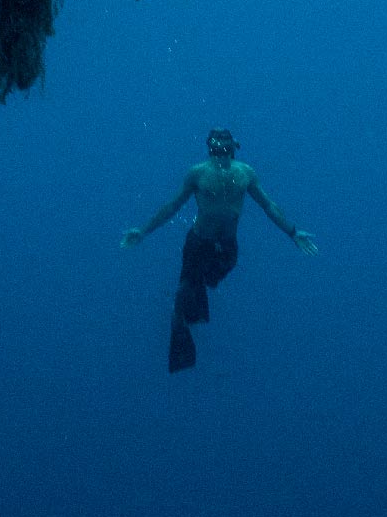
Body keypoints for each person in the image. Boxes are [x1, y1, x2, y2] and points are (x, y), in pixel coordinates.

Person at [122, 129, 318, 373]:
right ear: (210, 151)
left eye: (226, 151)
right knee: (185, 289)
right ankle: (180, 315)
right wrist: (143, 231)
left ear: (234, 150)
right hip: (198, 242)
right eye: (216, 151)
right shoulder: (198, 174)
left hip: (227, 247)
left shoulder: (245, 173)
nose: (221, 157)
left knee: (207, 281)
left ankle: (193, 297)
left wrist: (292, 232)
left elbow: (268, 205)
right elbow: (172, 206)